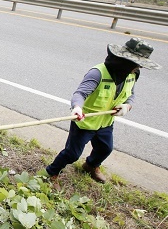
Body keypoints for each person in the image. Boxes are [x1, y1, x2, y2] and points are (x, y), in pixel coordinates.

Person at [46, 37, 161, 190]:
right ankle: (52, 173)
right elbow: (80, 93)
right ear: (126, 61)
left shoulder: (132, 74)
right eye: (137, 63)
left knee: (105, 148)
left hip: (106, 122)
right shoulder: (98, 73)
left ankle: (90, 165)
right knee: (72, 154)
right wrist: (77, 108)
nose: (139, 67)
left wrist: (127, 106)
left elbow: (131, 94)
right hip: (85, 122)